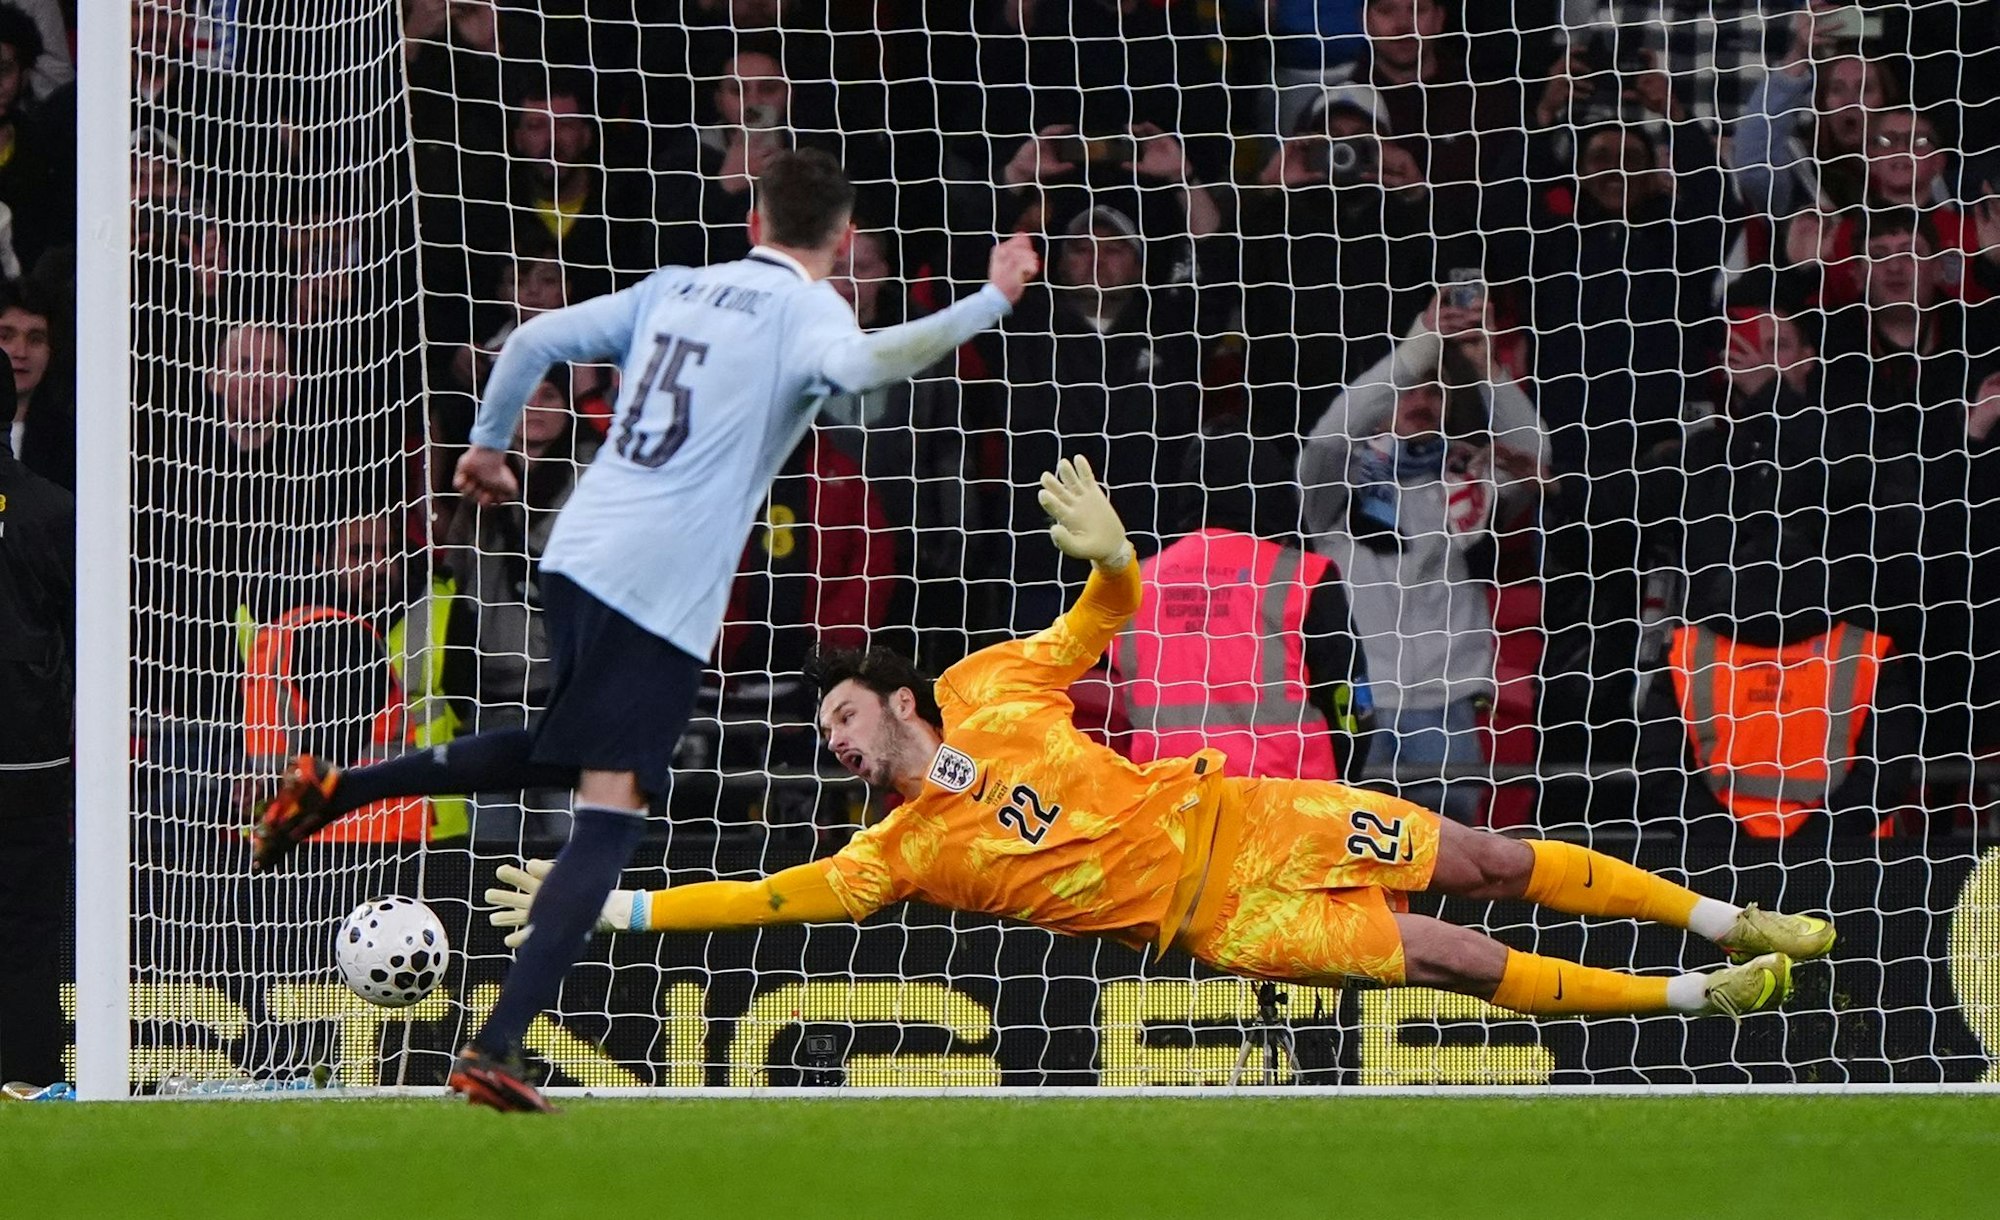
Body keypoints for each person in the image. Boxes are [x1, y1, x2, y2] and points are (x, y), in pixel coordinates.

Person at [250, 149, 1040, 1111]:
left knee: (555, 750)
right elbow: (869, 364)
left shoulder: (679, 286)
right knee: (612, 811)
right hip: (659, 589)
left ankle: (336, 787)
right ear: (837, 241)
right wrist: (990, 298)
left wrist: (489, 446)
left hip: (576, 552)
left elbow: (534, 338)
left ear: (753, 222)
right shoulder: (812, 310)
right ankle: (497, 1047)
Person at [489, 458, 1832, 1024]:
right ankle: (1688, 997)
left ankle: (1728, 920)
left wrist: (1113, 558)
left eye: (840, 715)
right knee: (1454, 953)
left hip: (1253, 815)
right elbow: (765, 903)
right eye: (824, 733)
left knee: (1481, 858)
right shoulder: (894, 852)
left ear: (899, 701)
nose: (834, 743)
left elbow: (1104, 616)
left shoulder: (989, 688)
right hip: (1226, 921)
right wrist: (614, 907)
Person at [1300, 291, 1548, 822]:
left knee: (1452, 862)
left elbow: (1535, 457)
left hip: (1446, 704)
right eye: (1406, 391)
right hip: (1360, 704)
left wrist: (1485, 366)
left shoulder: (1463, 484)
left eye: (1434, 392)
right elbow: (1326, 438)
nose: (1421, 400)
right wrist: (1417, 348)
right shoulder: (1332, 489)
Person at [1113, 426, 1374, 783]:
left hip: (1165, 803)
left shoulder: (1138, 581)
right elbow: (1349, 701)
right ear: (1275, 491)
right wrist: (1341, 784)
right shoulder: (1303, 576)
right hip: (1284, 807)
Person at [0, 378, 71, 1088]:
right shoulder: (53, 511)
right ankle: (26, 1079)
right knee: (26, 931)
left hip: (33, 764)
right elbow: (92, 646)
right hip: (30, 764)